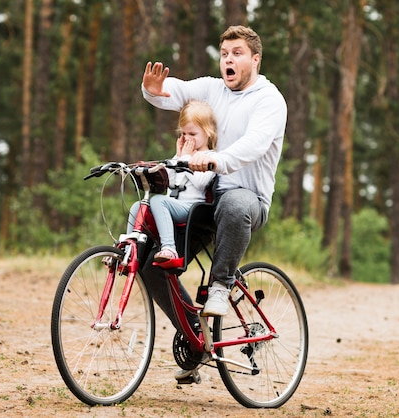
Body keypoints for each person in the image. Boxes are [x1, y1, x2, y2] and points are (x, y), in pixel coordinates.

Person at [139, 25, 287, 379]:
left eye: (236, 53)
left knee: (234, 201)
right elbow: (177, 91)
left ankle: (221, 285)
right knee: (150, 267)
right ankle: (194, 337)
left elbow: (254, 144)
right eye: (224, 54)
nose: (228, 60)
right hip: (204, 200)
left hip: (246, 200)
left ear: (255, 59)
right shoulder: (212, 89)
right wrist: (152, 91)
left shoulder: (269, 100)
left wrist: (217, 160)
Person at [126, 100, 217, 264]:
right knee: (138, 206)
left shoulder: (211, 157)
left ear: (208, 133)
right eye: (184, 134)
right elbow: (171, 182)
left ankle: (169, 248)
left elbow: (201, 183)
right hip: (173, 205)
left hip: (192, 208)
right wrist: (177, 157)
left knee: (158, 201)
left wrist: (186, 159)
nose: (187, 139)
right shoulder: (183, 155)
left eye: (193, 134)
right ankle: (128, 251)